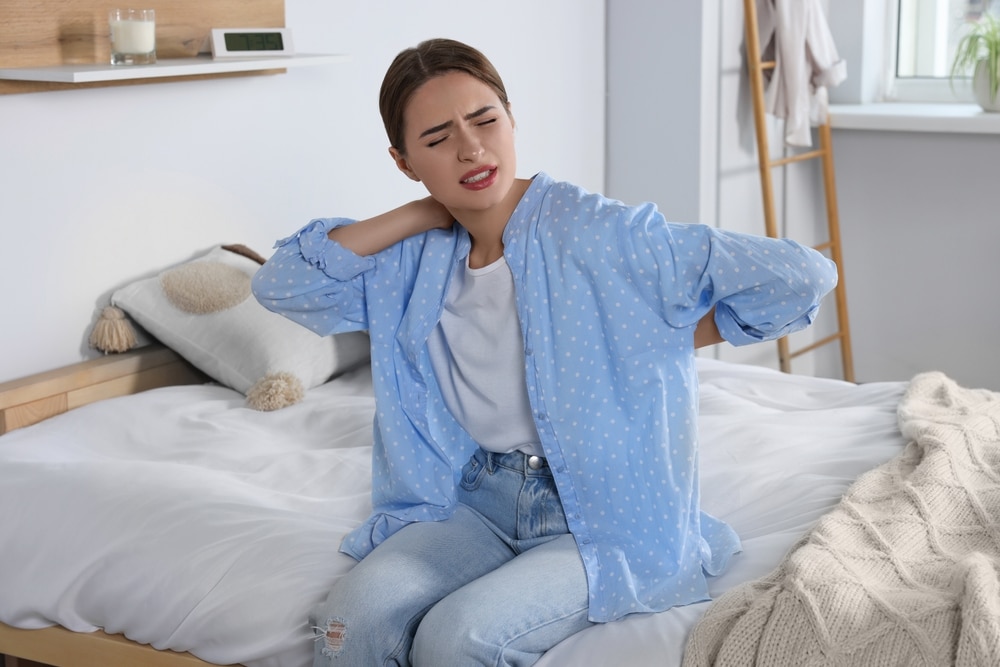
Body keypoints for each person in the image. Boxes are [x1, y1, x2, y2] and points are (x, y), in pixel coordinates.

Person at [252, 37, 837, 667]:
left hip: (602, 513)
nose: (471, 149)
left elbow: (802, 276)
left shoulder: (597, 229)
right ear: (404, 161)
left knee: (455, 639)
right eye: (437, 138)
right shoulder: (407, 260)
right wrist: (422, 214)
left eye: (485, 121)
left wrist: (663, 335)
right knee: (348, 624)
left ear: (510, 118)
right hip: (475, 500)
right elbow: (281, 284)